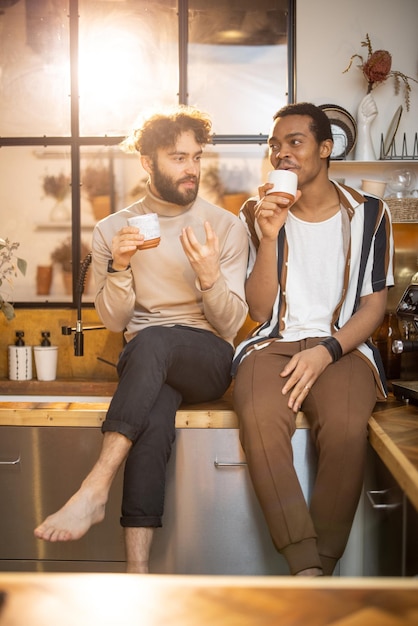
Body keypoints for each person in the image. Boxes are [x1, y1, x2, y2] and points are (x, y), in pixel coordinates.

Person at [34, 106, 249, 572]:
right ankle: (138, 574)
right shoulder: (113, 230)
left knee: (153, 342)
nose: (191, 168)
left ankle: (95, 486)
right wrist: (120, 266)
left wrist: (211, 277)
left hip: (207, 359)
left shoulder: (226, 227)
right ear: (148, 163)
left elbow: (231, 324)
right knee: (151, 421)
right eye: (177, 157)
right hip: (147, 365)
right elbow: (114, 321)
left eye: (196, 157)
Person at [232, 102, 394, 577]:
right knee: (259, 419)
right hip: (273, 343)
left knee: (346, 429)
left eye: (294, 143)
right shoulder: (253, 211)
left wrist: (327, 351)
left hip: (343, 345)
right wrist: (268, 236)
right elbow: (258, 311)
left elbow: (374, 306)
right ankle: (305, 567)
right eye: (274, 146)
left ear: (325, 149)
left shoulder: (369, 214)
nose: (281, 154)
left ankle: (322, 564)